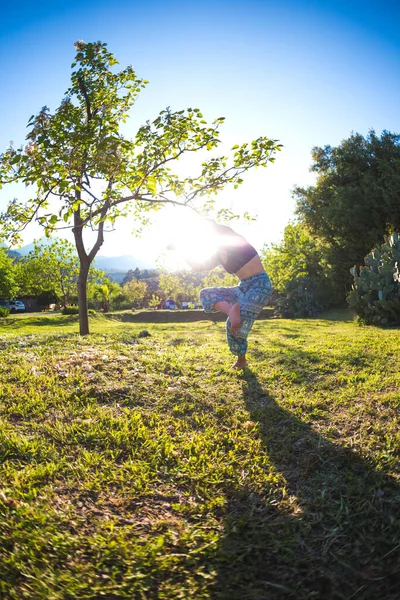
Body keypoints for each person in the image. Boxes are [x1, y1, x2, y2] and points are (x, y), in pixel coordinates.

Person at [169, 219, 272, 369]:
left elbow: (223, 231)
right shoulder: (218, 255)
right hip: (242, 287)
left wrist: (208, 224)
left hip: (260, 285)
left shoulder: (236, 241)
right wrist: (182, 250)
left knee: (234, 324)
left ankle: (241, 360)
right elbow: (199, 266)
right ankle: (230, 310)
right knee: (206, 294)